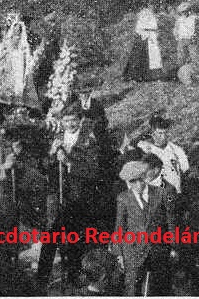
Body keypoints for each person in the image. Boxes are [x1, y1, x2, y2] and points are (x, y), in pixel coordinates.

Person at [38, 101, 117, 288]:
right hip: (57, 195)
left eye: (73, 120)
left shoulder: (88, 139)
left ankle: (73, 275)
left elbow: (93, 169)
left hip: (78, 195)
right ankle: (41, 279)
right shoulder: (57, 137)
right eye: (66, 121)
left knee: (74, 237)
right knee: (51, 235)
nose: (70, 124)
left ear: (80, 120)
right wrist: (51, 154)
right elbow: (44, 167)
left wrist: (69, 162)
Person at [111, 160, 177, 296]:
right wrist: (119, 255)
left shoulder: (161, 194)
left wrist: (173, 246)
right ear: (128, 182)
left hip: (157, 249)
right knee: (132, 288)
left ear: (145, 177)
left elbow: (170, 222)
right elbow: (119, 227)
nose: (138, 185)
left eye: (140, 180)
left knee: (159, 288)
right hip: (133, 251)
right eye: (132, 182)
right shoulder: (123, 198)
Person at [137, 115, 191, 194]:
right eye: (160, 133)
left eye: (165, 132)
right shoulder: (145, 149)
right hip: (157, 194)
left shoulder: (175, 149)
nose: (163, 136)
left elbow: (185, 168)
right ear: (152, 133)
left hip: (177, 192)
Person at [123, 3, 164, 82]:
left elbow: (154, 26)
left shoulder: (151, 14)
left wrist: (152, 32)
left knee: (153, 57)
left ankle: (149, 76)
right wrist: (147, 30)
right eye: (151, 5)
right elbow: (140, 27)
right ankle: (136, 76)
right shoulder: (144, 13)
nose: (153, 7)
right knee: (139, 56)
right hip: (143, 37)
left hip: (150, 37)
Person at [173, 2, 199, 73]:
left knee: (195, 57)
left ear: (189, 11)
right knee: (181, 58)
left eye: (185, 11)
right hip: (182, 40)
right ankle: (182, 75)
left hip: (191, 40)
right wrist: (177, 37)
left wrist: (196, 33)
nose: (184, 13)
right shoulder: (179, 20)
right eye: (182, 12)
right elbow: (176, 29)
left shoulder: (195, 18)